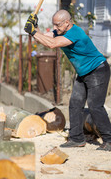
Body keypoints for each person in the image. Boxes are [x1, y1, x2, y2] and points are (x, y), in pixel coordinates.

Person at [24, 10, 111, 151]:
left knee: (95, 106)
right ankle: (76, 138)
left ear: (67, 23)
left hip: (97, 70)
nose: (55, 28)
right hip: (84, 72)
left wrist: (33, 32)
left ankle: (109, 140)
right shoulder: (60, 31)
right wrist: (35, 28)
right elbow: (44, 39)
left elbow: (52, 44)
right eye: (54, 25)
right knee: (75, 103)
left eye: (57, 25)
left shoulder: (75, 33)